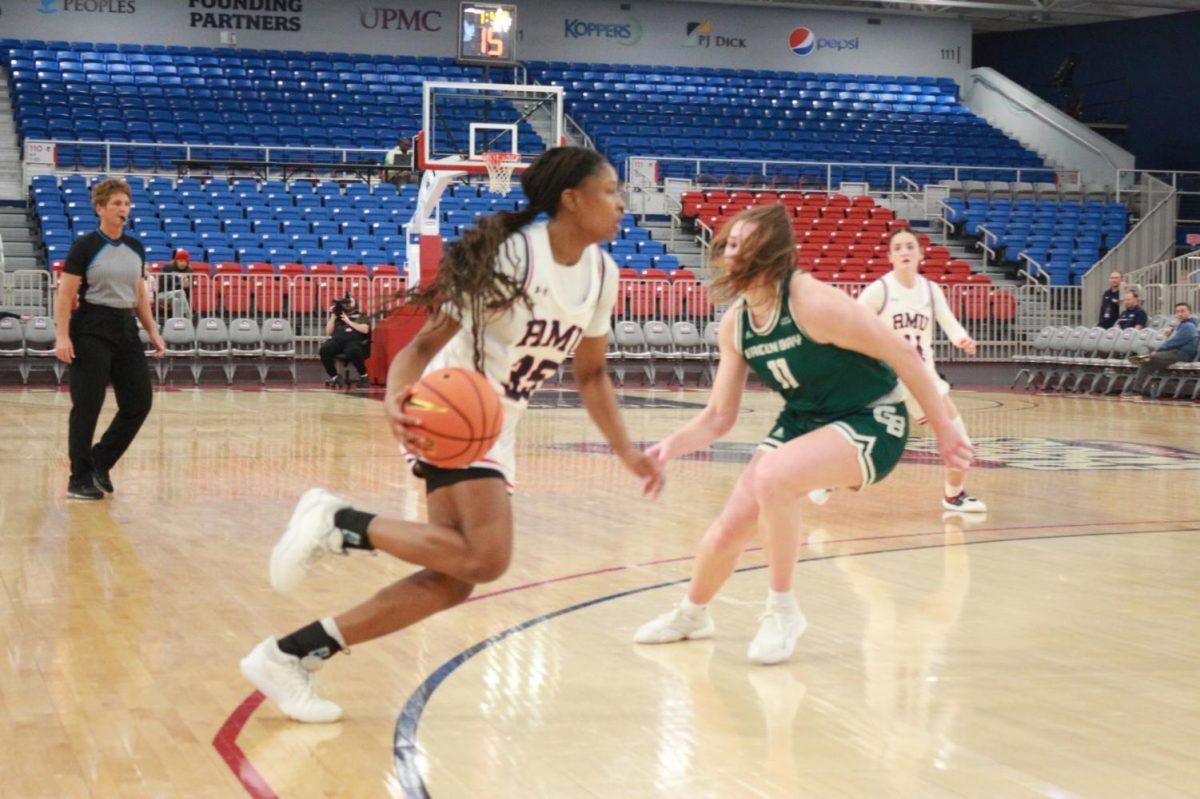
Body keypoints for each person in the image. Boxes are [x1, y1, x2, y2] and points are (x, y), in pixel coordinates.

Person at [240, 146, 665, 722]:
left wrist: (627, 451)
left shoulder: (603, 274)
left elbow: (590, 374)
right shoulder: (514, 259)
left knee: (453, 578)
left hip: (499, 425)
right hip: (452, 411)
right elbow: (422, 344)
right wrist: (397, 400)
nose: (621, 202)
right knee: (488, 560)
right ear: (572, 199)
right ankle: (339, 523)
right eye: (611, 190)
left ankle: (290, 655)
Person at [633, 205, 972, 665]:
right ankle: (692, 615)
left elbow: (904, 356)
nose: (728, 252)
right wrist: (668, 447)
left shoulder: (812, 301)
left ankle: (783, 610)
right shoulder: (737, 323)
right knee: (731, 524)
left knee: (774, 476)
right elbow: (718, 417)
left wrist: (947, 430)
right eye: (728, 243)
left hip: (873, 416)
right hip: (806, 420)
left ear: (769, 254)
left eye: (740, 244)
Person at [809, 228, 986, 513]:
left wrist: (961, 339)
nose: (905, 251)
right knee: (866, 440)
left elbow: (949, 322)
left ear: (920, 253)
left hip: (923, 379)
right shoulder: (881, 289)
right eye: (899, 248)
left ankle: (954, 496)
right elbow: (852, 321)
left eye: (910, 246)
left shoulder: (930, 289)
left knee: (960, 442)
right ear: (890, 256)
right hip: (885, 379)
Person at [55, 177, 166, 500]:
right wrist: (62, 336)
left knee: (138, 402)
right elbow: (65, 295)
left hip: (125, 327)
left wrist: (153, 331)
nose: (123, 209)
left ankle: (100, 461)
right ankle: (79, 479)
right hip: (90, 326)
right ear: (100, 208)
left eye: (127, 204)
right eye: (116, 204)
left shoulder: (135, 248)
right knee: (88, 405)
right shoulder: (85, 246)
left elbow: (139, 294)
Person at [1123, 302, 1198, 397]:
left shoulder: (1189, 326)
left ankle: (1145, 359)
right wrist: (1172, 329)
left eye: (1183, 311)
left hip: (1181, 354)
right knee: (1144, 347)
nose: (1180, 313)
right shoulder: (1182, 325)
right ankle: (1144, 360)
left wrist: (1158, 351)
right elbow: (1175, 335)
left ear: (1189, 312)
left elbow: (1174, 342)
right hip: (1172, 352)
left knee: (1150, 358)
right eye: (1177, 311)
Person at [317, 293, 371, 387]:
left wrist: (349, 322)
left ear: (356, 304)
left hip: (353, 342)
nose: (348, 304)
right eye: (346, 302)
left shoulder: (361, 316)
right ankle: (334, 377)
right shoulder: (338, 316)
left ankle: (364, 376)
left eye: (350, 301)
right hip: (338, 342)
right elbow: (329, 332)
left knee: (353, 350)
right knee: (324, 349)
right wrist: (333, 316)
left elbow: (365, 329)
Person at [156, 248, 194, 320]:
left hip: (179, 297)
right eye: (181, 261)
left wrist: (186, 286)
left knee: (176, 300)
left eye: (185, 261)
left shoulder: (189, 272)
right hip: (163, 295)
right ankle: (189, 318)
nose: (183, 263)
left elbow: (187, 293)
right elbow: (162, 284)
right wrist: (176, 277)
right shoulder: (168, 268)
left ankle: (177, 322)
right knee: (180, 292)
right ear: (176, 261)